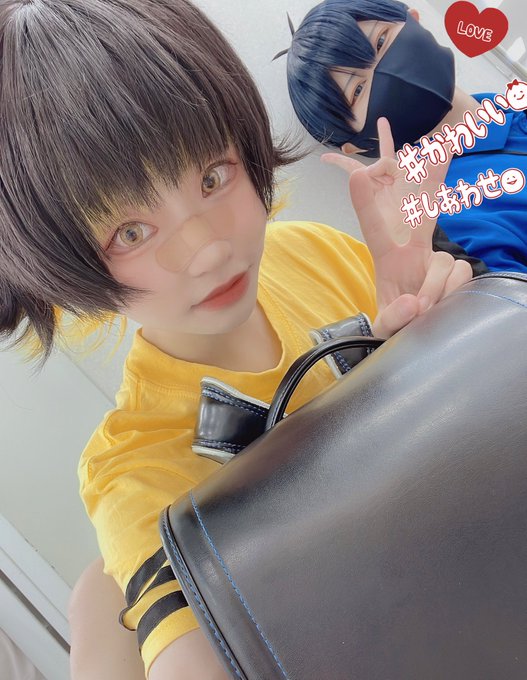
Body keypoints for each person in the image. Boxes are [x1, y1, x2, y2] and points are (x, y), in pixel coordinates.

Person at [0, 1, 472, 678]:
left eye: (211, 177)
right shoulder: (135, 471)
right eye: (129, 232)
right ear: (65, 263)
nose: (207, 249)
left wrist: (439, 337)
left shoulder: (312, 251)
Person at [284, 0, 527, 273]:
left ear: (413, 19)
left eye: (381, 41)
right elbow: (501, 292)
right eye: (357, 90)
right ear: (356, 145)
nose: (385, 70)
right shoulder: (446, 219)